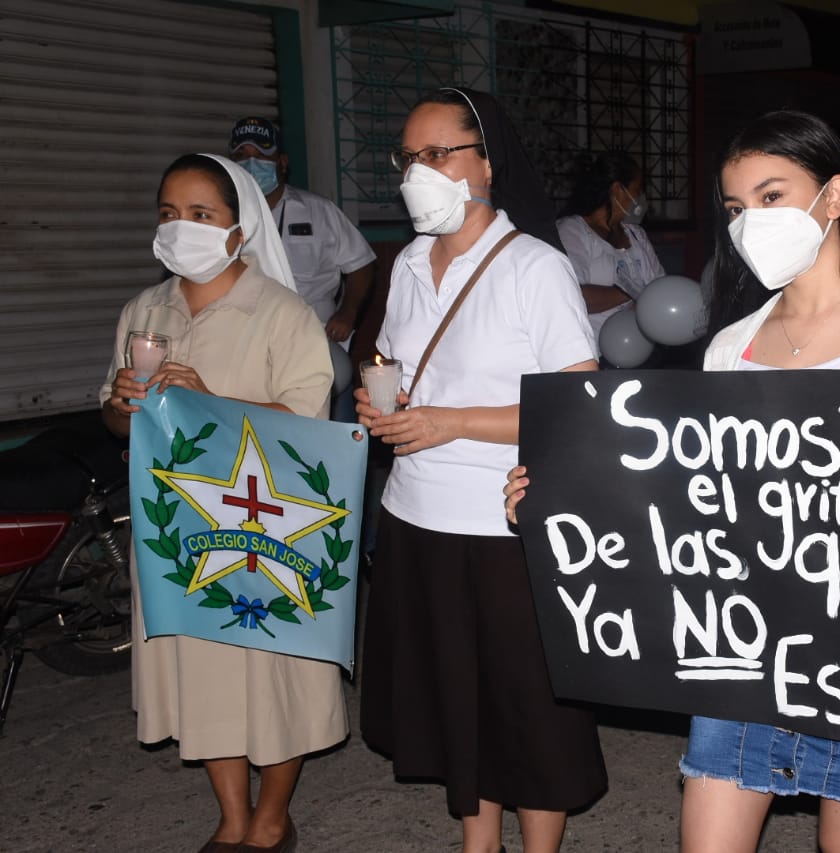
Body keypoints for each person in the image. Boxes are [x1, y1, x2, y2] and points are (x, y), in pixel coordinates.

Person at [505, 109, 840, 853]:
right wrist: (559, 499)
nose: (749, 223)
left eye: (772, 198)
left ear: (834, 198)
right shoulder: (732, 348)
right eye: (737, 208)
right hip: (743, 664)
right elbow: (691, 514)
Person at [356, 87, 606, 853]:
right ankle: (478, 839)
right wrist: (385, 403)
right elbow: (398, 364)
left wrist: (452, 422)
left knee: (524, 705)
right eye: (408, 157)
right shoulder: (404, 267)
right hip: (416, 515)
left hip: (504, 524)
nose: (417, 171)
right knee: (453, 695)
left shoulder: (534, 267)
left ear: (486, 165)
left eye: (438, 153)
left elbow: (576, 402)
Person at [101, 153, 342, 853]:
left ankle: (273, 815)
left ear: (240, 230)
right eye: (169, 214)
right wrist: (121, 407)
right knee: (201, 666)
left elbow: (308, 426)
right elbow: (118, 420)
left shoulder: (280, 312)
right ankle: (232, 816)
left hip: (266, 520)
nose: (182, 229)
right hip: (178, 523)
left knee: (274, 673)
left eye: (201, 215)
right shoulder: (145, 311)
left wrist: (208, 400)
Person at [228, 116, 377, 418]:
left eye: (261, 156)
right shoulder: (225, 216)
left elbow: (361, 263)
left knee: (333, 440)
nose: (251, 164)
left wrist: (348, 312)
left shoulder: (317, 210)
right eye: (242, 156)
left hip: (317, 340)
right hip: (248, 346)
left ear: (282, 162)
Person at [556, 151, 665, 342]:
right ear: (617, 190)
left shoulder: (636, 234)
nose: (641, 198)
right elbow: (572, 294)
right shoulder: (572, 231)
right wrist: (630, 293)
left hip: (643, 348)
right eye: (637, 190)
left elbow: (660, 286)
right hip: (596, 351)